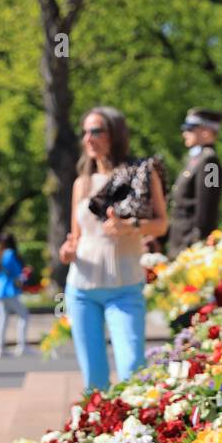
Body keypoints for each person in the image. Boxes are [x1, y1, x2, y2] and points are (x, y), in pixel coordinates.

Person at [59, 106, 169, 391]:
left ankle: (136, 431)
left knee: (132, 370)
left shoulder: (141, 174)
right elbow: (76, 235)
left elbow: (161, 224)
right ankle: (99, 433)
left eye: (96, 131)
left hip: (125, 288)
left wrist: (130, 226)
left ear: (116, 134)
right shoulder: (81, 184)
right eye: (85, 131)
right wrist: (68, 250)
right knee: (94, 381)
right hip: (81, 290)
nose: (88, 138)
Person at [166, 109, 222, 258]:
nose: (185, 132)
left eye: (190, 128)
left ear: (206, 132)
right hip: (179, 242)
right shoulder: (195, 159)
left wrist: (198, 242)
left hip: (190, 246)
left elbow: (207, 208)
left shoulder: (210, 162)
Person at [0, 232, 30, 359]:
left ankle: (0, 347)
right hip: (9, 291)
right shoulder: (10, 255)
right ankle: (22, 345)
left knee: (2, 318)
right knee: (24, 315)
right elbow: (18, 274)